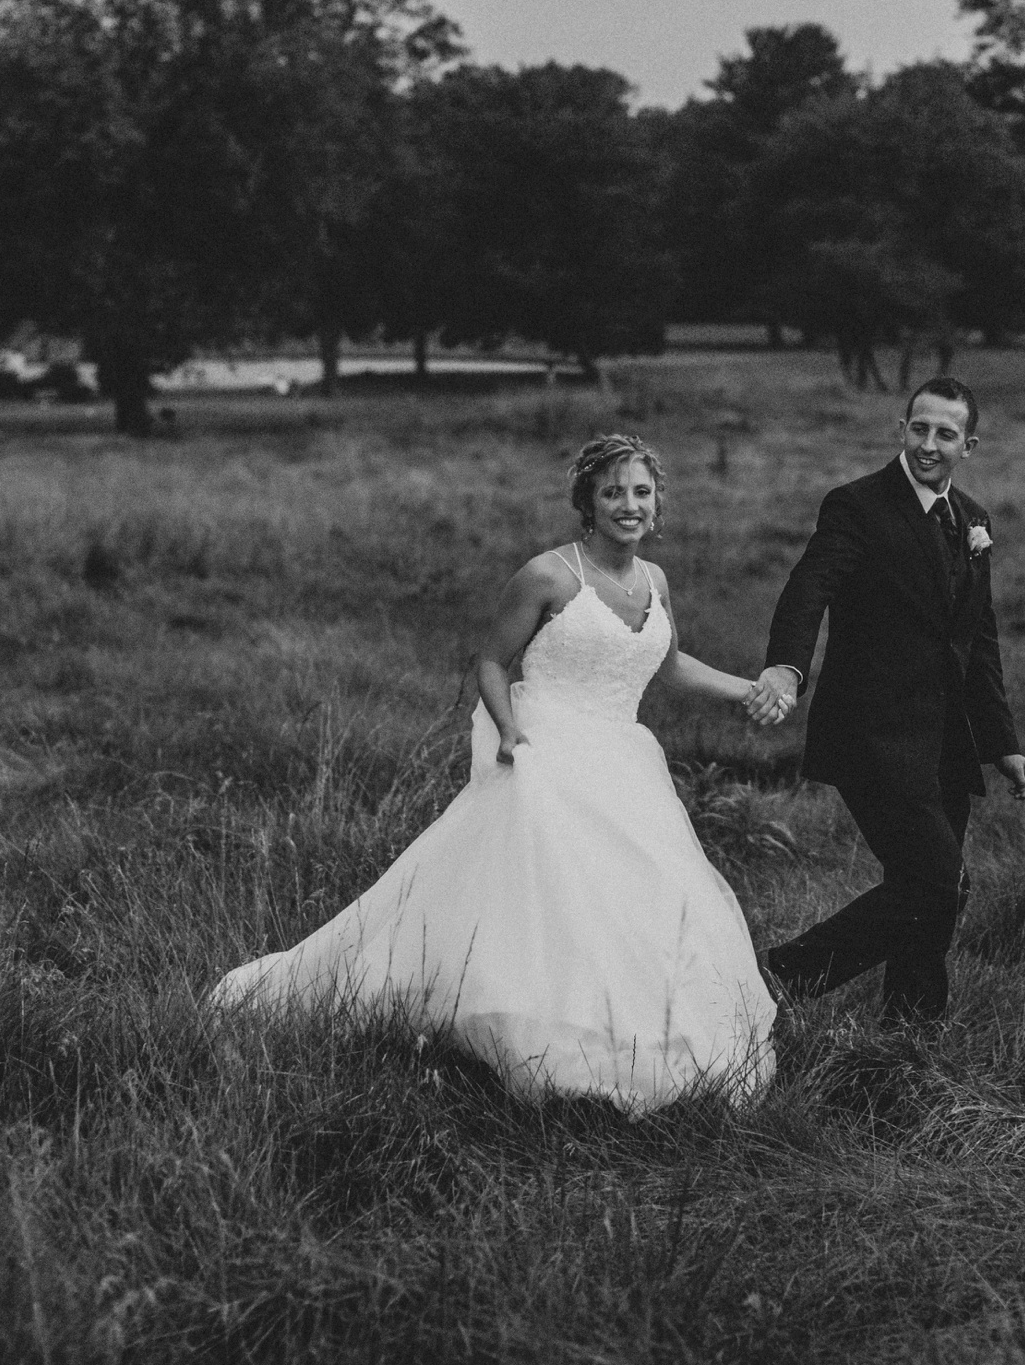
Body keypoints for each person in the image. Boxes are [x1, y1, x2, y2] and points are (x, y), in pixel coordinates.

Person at [212, 435, 776, 1110]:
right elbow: (490, 661)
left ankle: (635, 1032)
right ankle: (546, 1035)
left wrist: (748, 689)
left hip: (625, 759)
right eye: (613, 492)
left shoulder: (653, 581)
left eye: (642, 492)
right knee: (559, 896)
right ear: (587, 505)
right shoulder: (547, 574)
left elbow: (670, 664)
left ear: (658, 505)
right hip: (549, 750)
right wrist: (509, 731)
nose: (630, 505)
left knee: (651, 896)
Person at [744, 376, 1025, 1028]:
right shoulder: (856, 506)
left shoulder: (974, 519)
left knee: (927, 894)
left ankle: (909, 1035)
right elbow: (807, 587)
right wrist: (788, 668)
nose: (928, 444)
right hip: (872, 736)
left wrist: (1004, 743)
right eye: (918, 428)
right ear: (899, 429)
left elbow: (978, 640)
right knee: (941, 885)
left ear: (970, 444)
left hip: (946, 745)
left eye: (945, 434)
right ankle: (777, 978)